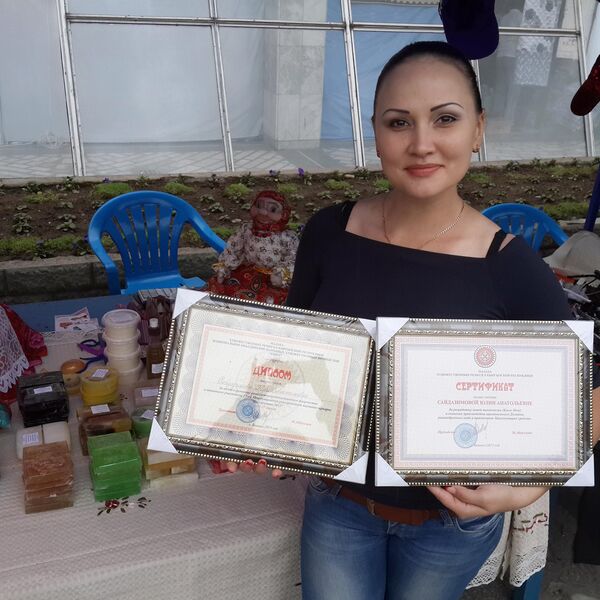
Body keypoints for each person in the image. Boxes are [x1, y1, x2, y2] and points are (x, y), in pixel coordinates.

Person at [226, 41, 599, 599]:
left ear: (478, 129)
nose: (422, 143)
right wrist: (263, 427)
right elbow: (297, 354)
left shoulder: (510, 266)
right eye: (399, 122)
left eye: (445, 119)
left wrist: (525, 488)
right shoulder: (328, 233)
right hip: (338, 503)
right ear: (376, 134)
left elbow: (589, 398)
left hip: (448, 526)